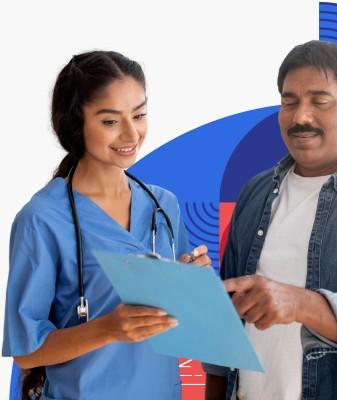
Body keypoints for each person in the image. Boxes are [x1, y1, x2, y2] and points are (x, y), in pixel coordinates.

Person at [204, 40, 337, 400]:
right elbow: (226, 328)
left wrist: (302, 304)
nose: (300, 116)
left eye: (319, 101)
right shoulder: (254, 192)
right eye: (289, 102)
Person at [2, 50, 210, 400]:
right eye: (110, 121)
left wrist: (191, 283)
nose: (132, 133)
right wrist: (108, 329)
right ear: (74, 123)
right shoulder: (43, 219)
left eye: (139, 115)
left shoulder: (163, 206)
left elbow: (181, 320)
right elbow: (27, 350)